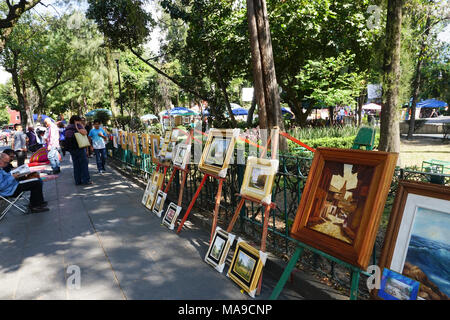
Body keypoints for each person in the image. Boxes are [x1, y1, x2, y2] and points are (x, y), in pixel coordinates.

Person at [65, 115, 92, 185]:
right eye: (79, 120)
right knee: (84, 164)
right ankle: (86, 180)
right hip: (79, 147)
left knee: (76, 165)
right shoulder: (77, 126)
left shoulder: (68, 128)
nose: (81, 121)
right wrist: (79, 125)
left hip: (72, 149)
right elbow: (85, 132)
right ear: (75, 121)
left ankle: (78, 181)